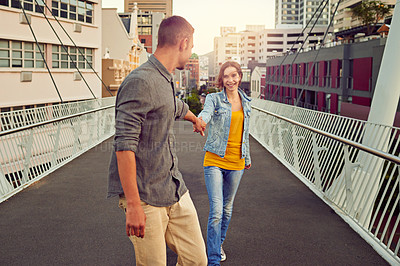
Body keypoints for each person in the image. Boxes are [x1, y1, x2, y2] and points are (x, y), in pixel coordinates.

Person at [108, 16, 207, 266]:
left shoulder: (165, 78)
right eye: (192, 45)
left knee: (197, 260)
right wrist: (132, 205)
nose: (191, 50)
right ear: (183, 43)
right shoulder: (140, 81)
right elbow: (124, 145)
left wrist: (193, 118)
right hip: (145, 196)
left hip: (173, 187)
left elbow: (172, 106)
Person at [196, 61, 251, 265]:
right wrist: (200, 121)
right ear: (222, 79)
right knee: (217, 210)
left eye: (234, 75)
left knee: (227, 209)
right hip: (215, 159)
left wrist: (248, 157)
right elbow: (206, 113)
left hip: (237, 161)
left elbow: (245, 132)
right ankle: (213, 260)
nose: (230, 80)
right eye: (226, 76)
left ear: (239, 77)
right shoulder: (214, 99)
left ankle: (217, 244)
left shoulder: (246, 101)